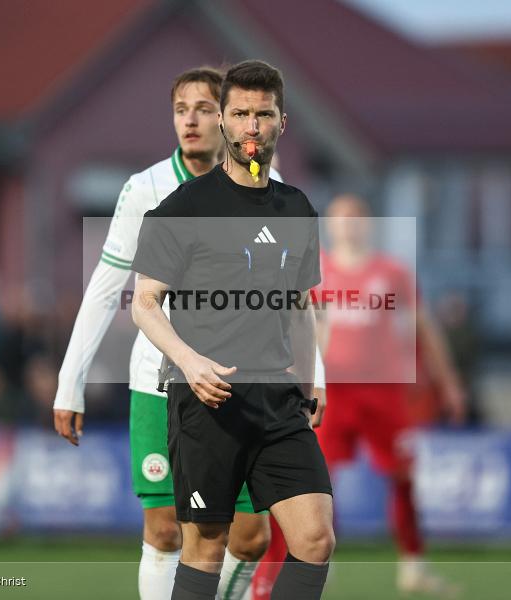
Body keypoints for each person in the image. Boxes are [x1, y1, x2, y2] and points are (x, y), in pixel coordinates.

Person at [52, 66, 325, 600]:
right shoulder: (149, 190)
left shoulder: (278, 194)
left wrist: (313, 380)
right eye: (183, 109)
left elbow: (295, 302)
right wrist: (70, 382)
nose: (193, 120)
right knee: (168, 531)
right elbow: (115, 290)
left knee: (254, 538)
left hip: (266, 391)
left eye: (204, 107)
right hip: (168, 386)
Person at [131, 60, 334, 600]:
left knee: (314, 538)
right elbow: (145, 305)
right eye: (240, 113)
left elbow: (300, 305)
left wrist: (313, 382)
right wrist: (190, 363)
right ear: (223, 119)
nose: (251, 126)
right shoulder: (181, 208)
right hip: (207, 402)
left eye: (262, 115)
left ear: (281, 122)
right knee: (205, 548)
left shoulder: (297, 209)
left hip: (278, 401)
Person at [254, 194, 466, 599]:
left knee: (403, 476)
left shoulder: (392, 272)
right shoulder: (317, 272)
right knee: (312, 481)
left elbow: (425, 328)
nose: (347, 225)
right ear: (330, 226)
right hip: (332, 392)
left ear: (367, 223)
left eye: (354, 217)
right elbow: (299, 331)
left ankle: (413, 566)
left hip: (384, 392)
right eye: (339, 218)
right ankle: (312, 562)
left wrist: (449, 380)